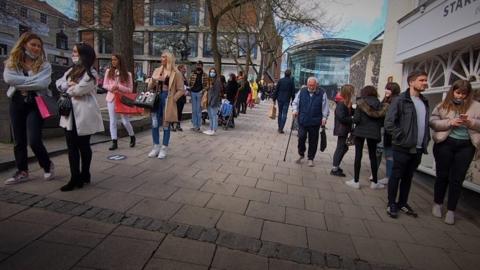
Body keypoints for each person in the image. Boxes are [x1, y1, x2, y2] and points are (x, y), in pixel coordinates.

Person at [3, 32, 54, 185]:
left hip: (36, 103)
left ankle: (47, 164)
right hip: (16, 102)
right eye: (33, 45)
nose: (36, 48)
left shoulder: (45, 65)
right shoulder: (13, 62)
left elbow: (42, 84)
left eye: (39, 46)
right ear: (24, 44)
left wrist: (20, 83)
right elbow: (9, 79)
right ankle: (22, 171)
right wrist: (31, 81)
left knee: (34, 140)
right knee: (19, 140)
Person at [430, 80, 480, 225]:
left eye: (464, 94)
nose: (460, 96)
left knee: (457, 179)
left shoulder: (476, 106)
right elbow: (433, 122)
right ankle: (437, 204)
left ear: (469, 94)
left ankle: (451, 210)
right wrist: (450, 122)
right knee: (442, 176)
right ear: (453, 91)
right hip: (445, 143)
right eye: (458, 93)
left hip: (466, 146)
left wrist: (470, 122)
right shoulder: (443, 104)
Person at [56, 43, 104, 191]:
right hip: (69, 113)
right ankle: (74, 177)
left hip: (83, 113)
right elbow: (58, 83)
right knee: (71, 147)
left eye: (76, 52)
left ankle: (85, 173)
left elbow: (80, 90)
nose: (73, 54)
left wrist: (68, 87)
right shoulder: (72, 69)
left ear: (84, 54)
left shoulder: (92, 73)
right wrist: (68, 85)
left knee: (83, 146)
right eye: (73, 51)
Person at [384, 70, 430, 218]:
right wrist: (401, 137)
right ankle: (391, 203)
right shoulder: (400, 100)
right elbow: (389, 123)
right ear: (411, 82)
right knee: (396, 176)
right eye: (421, 80)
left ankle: (402, 203)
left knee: (408, 177)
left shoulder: (424, 101)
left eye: (425, 80)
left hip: (418, 148)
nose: (425, 83)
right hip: (402, 147)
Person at [345, 86, 388, 189]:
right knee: (373, 156)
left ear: (364, 93)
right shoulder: (380, 105)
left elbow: (356, 119)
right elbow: (382, 122)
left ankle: (356, 181)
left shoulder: (361, 103)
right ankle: (374, 182)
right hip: (374, 133)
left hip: (360, 132)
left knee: (358, 155)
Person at [147, 51, 185, 159]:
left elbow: (181, 90)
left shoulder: (176, 73)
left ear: (169, 59)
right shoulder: (157, 70)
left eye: (164, 57)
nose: (161, 59)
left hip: (167, 99)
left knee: (166, 124)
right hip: (156, 98)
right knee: (154, 123)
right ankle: (155, 146)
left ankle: (164, 148)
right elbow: (149, 87)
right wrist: (154, 81)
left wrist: (173, 99)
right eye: (161, 57)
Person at [291, 77, 329, 167]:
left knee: (313, 141)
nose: (311, 87)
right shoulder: (302, 91)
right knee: (301, 137)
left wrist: (324, 118)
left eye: (313, 85)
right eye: (310, 85)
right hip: (303, 119)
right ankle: (301, 153)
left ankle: (310, 158)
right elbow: (295, 102)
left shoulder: (322, 93)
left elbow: (325, 107)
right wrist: (294, 110)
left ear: (316, 85)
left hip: (315, 121)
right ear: (307, 84)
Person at [103, 53, 136, 150]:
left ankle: (132, 136)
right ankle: (114, 141)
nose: (113, 61)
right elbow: (104, 85)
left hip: (122, 100)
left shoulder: (127, 74)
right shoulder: (108, 71)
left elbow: (130, 89)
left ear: (120, 61)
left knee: (125, 121)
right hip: (111, 98)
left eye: (115, 60)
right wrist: (111, 87)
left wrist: (119, 87)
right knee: (112, 121)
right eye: (112, 60)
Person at [374, 82, 401, 184]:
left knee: (389, 155)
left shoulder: (396, 102)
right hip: (381, 131)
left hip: (389, 133)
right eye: (386, 88)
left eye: (389, 89)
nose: (386, 91)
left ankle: (388, 177)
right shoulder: (385, 100)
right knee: (378, 153)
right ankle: (374, 172)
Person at [330, 84, 355, 177]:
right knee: (340, 148)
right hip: (341, 129)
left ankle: (336, 166)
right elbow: (342, 118)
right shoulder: (341, 104)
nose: (353, 94)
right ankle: (334, 168)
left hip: (344, 129)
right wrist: (352, 118)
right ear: (348, 93)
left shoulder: (346, 103)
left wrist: (352, 110)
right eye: (352, 92)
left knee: (344, 147)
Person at [273, 69, 296, 134]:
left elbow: (276, 90)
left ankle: (279, 127)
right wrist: (293, 101)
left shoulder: (280, 80)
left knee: (280, 113)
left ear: (284, 74)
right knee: (284, 114)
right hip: (286, 99)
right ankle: (281, 128)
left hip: (279, 99)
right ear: (290, 74)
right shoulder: (291, 82)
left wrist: (274, 99)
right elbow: (293, 92)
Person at [189, 61, 208, 132]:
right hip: (193, 93)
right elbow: (190, 82)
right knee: (194, 110)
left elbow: (207, 85)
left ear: (202, 66)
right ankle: (194, 125)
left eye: (199, 65)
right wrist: (190, 89)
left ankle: (198, 126)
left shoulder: (205, 75)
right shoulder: (192, 74)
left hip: (200, 93)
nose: (198, 66)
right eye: (197, 65)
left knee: (198, 110)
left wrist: (202, 91)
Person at [203, 67, 222, 135]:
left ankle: (214, 129)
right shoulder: (210, 80)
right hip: (209, 101)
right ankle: (210, 128)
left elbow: (217, 93)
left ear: (215, 73)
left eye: (213, 72)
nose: (212, 73)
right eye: (211, 71)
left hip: (214, 102)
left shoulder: (217, 81)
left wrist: (213, 102)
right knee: (210, 116)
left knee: (214, 116)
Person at [171, 64, 188, 131]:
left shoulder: (184, 77)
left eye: (185, 69)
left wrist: (187, 90)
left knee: (180, 111)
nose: (185, 70)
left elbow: (186, 85)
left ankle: (178, 124)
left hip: (183, 96)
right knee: (175, 110)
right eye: (184, 69)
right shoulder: (176, 76)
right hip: (177, 95)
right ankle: (172, 124)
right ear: (180, 69)